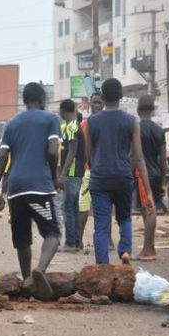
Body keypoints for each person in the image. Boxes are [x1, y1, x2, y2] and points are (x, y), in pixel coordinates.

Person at [0, 82, 61, 299]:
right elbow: (52, 151)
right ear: (41, 99)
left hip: (16, 188)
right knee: (53, 233)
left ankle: (28, 281)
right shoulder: (51, 119)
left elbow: (3, 157)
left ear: (24, 100)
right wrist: (54, 177)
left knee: (22, 240)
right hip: (40, 186)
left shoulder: (11, 123)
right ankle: (40, 269)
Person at [84, 78, 154, 265]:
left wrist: (92, 173)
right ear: (121, 96)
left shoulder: (92, 122)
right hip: (123, 177)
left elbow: (87, 155)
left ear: (103, 97)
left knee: (101, 225)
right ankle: (124, 250)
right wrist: (148, 191)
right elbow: (138, 157)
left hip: (100, 179)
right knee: (124, 217)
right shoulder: (131, 121)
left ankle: (102, 265)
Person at [134, 95, 165, 261]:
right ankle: (150, 247)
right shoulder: (159, 131)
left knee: (148, 210)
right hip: (155, 174)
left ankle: (147, 250)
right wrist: (162, 182)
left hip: (141, 174)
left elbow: (133, 156)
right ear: (152, 110)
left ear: (138, 110)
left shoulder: (135, 129)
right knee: (150, 209)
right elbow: (163, 160)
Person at [58, 99, 86, 252]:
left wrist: (63, 174)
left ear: (63, 111)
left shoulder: (72, 126)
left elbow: (72, 151)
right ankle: (75, 242)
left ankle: (70, 242)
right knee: (73, 208)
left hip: (72, 174)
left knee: (67, 208)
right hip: (76, 173)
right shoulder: (74, 126)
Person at [78, 93, 104, 249]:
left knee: (103, 208)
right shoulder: (84, 125)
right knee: (83, 208)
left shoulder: (108, 124)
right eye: (95, 102)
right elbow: (80, 150)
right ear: (90, 104)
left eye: (100, 102)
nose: (97, 105)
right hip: (88, 171)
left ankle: (107, 240)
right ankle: (79, 240)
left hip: (103, 171)